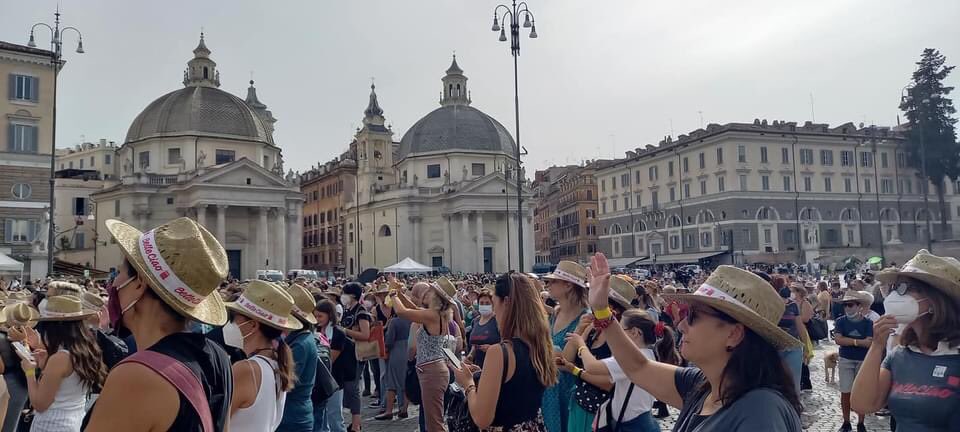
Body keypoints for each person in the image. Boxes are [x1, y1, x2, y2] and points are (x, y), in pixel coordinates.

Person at [585, 253, 802, 431]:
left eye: (693, 317)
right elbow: (638, 367)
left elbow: (638, 367)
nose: (681, 326)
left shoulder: (761, 412)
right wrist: (602, 311)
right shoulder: (704, 385)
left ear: (734, 334)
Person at [83, 217, 234, 432]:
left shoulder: (135, 376)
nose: (113, 284)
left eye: (119, 273)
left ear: (139, 283)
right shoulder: (219, 358)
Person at [852, 250, 960, 431]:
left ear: (935, 300)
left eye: (907, 288)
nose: (896, 295)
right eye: (895, 287)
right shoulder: (900, 355)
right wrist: (877, 346)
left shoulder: (954, 356)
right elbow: (863, 404)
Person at [447, 272, 556, 431]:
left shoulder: (500, 352)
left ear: (505, 302)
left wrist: (468, 384)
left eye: (494, 302)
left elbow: (482, 418)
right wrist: (486, 375)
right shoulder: (541, 344)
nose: (494, 309)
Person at [16, 294, 106, 432]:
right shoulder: (86, 349)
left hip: (52, 424)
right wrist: (45, 363)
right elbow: (67, 384)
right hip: (74, 421)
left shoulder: (60, 358)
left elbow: (39, 403)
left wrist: (29, 372)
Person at [557, 276, 636, 432]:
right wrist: (580, 331)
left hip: (602, 413)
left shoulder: (622, 339)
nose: (593, 308)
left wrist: (576, 370)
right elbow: (563, 360)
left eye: (598, 304)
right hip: (580, 405)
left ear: (615, 310)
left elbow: (609, 384)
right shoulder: (593, 330)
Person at [573, 309, 667, 432]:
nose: (617, 335)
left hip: (632, 424)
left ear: (635, 332)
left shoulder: (630, 358)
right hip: (642, 419)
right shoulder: (649, 353)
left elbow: (592, 366)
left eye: (621, 330)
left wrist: (581, 345)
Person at [226, 280, 299, 432]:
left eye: (234, 318)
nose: (230, 323)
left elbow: (218, 422)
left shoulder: (246, 369)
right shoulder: (277, 363)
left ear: (253, 325)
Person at [390, 280, 456, 432]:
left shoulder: (432, 315)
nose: (427, 293)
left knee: (434, 424)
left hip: (432, 372)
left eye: (431, 291)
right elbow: (413, 308)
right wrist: (400, 293)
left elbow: (402, 312)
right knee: (431, 421)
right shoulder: (435, 314)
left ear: (437, 298)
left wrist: (393, 293)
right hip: (432, 370)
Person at [540, 261, 590, 432]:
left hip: (568, 392)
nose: (548, 285)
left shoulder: (585, 318)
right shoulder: (556, 312)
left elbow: (566, 360)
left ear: (568, 285)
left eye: (554, 281)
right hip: (548, 389)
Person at [277, 283, 319, 432]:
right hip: (295, 414)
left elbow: (287, 381)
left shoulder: (300, 344)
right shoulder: (300, 338)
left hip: (293, 417)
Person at [834, 290, 874, 432]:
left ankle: (861, 423)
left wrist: (849, 341)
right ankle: (846, 422)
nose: (847, 308)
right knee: (845, 391)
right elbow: (838, 340)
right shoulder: (840, 321)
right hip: (846, 359)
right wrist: (858, 342)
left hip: (862, 361)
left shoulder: (868, 323)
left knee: (861, 392)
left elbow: (869, 343)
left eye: (850, 305)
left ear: (859, 306)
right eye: (845, 305)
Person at [338, 282, 372, 432]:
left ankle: (357, 424)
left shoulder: (361, 311)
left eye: (344, 293)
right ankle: (354, 421)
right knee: (348, 386)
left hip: (357, 353)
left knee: (353, 388)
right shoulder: (348, 309)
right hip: (346, 353)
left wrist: (344, 331)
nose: (342, 296)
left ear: (352, 296)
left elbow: (365, 335)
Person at [314, 299, 350, 432]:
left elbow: (330, 360)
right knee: (321, 419)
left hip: (334, 380)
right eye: (316, 316)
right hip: (319, 382)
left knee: (335, 417)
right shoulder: (315, 330)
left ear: (329, 315)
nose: (317, 319)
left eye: (320, 316)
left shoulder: (338, 333)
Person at [375, 302, 411, 420]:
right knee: (405, 382)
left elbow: (389, 340)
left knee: (391, 382)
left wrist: (385, 350)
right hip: (409, 350)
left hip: (397, 351)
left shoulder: (394, 322)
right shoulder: (412, 320)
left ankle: (389, 410)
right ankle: (404, 409)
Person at [467, 287, 500, 368]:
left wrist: (492, 348)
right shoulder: (475, 321)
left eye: (487, 303)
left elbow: (507, 343)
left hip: (494, 365)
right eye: (481, 303)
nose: (484, 305)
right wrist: (471, 355)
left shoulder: (498, 321)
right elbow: (474, 344)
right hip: (476, 366)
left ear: (493, 305)